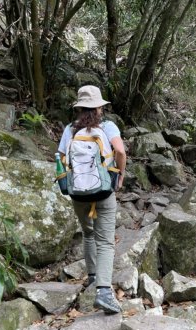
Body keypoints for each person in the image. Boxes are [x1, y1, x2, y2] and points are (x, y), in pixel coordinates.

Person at [57, 85, 126, 314]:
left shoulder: (70, 129)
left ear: (78, 107)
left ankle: (93, 275)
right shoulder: (107, 126)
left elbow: (61, 158)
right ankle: (104, 291)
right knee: (105, 240)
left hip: (78, 193)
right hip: (104, 192)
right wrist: (120, 175)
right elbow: (120, 152)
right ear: (100, 107)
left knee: (88, 233)